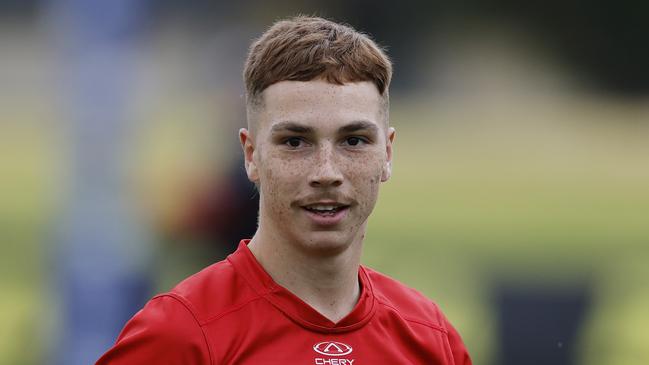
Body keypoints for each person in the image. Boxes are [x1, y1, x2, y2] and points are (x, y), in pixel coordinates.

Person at [96, 16, 472, 364]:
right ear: (251, 155)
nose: (327, 172)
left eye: (354, 140)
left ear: (387, 154)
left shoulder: (431, 338)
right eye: (295, 142)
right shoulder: (180, 335)